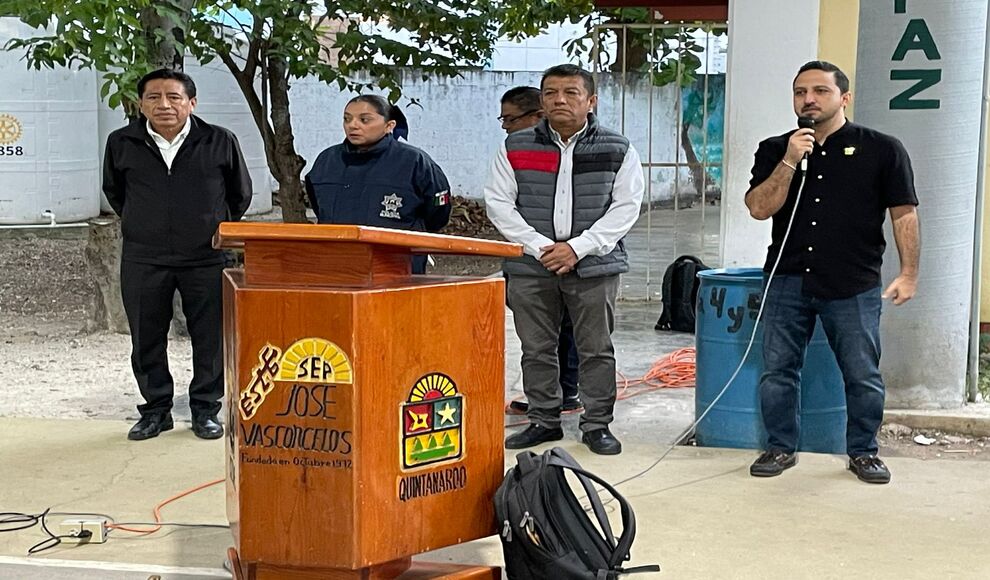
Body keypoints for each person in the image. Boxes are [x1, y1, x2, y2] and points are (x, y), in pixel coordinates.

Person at [744, 61, 920, 484]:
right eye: (800, 92)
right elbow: (759, 208)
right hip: (787, 279)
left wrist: (909, 273)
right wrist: (790, 160)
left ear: (844, 98)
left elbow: (903, 214)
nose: (809, 99)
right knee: (778, 371)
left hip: (852, 283)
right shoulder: (775, 149)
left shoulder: (882, 149)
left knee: (862, 374)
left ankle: (864, 452)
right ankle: (780, 447)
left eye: (820, 91)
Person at [485, 65, 645, 455]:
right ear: (542, 101)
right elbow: (499, 204)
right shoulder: (515, 147)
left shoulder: (617, 148)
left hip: (593, 266)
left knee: (596, 348)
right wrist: (541, 246)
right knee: (536, 347)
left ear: (591, 101)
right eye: (551, 93)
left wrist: (579, 247)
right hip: (531, 265)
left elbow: (626, 207)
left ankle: (597, 424)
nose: (560, 100)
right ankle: (543, 420)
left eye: (571, 92)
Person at [103, 69, 253, 441]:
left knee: (211, 338)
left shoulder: (219, 140)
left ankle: (205, 409)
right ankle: (156, 411)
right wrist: (144, 223)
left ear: (191, 103)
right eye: (153, 97)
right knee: (146, 337)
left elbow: (240, 195)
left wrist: (209, 228)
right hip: (144, 257)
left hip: (206, 256)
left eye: (174, 97)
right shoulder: (122, 142)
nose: (164, 105)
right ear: (141, 104)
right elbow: (115, 192)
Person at [498, 86, 583, 416]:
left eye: (511, 119)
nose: (506, 127)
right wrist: (537, 247)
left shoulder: (577, 152)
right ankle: (544, 401)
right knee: (537, 338)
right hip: (528, 258)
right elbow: (502, 205)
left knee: (570, 329)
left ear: (537, 116)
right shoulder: (511, 153)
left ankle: (568, 392)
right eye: (503, 120)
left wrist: (571, 249)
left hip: (574, 257)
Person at [305, 95, 451, 274]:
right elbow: (319, 206)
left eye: (364, 120)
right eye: (347, 119)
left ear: (389, 125)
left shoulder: (414, 162)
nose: (353, 125)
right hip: (336, 265)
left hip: (397, 264)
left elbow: (437, 212)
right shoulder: (327, 161)